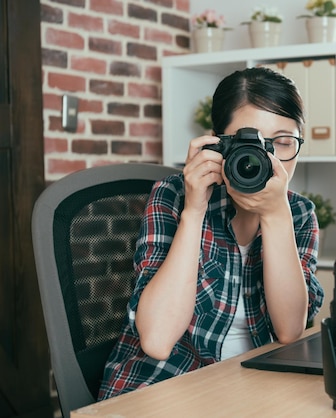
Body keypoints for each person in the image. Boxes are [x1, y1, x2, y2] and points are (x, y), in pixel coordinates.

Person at [98, 67, 324, 400]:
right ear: (217, 142)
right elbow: (157, 341)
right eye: (251, 142)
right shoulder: (173, 196)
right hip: (163, 388)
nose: (264, 156)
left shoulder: (299, 213)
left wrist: (276, 216)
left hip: (252, 388)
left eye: (282, 142)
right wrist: (194, 211)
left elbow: (289, 332)